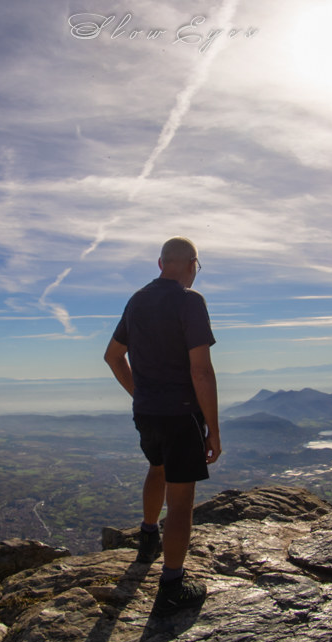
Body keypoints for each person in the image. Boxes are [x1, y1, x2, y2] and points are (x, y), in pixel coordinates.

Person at [104, 236, 221, 616]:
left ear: (160, 263)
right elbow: (200, 370)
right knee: (182, 501)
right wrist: (214, 430)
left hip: (147, 411)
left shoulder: (137, 300)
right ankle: (172, 584)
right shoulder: (190, 302)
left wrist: (140, 393)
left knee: (157, 468)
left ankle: (148, 536)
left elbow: (112, 356)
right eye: (196, 267)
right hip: (180, 412)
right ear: (191, 264)